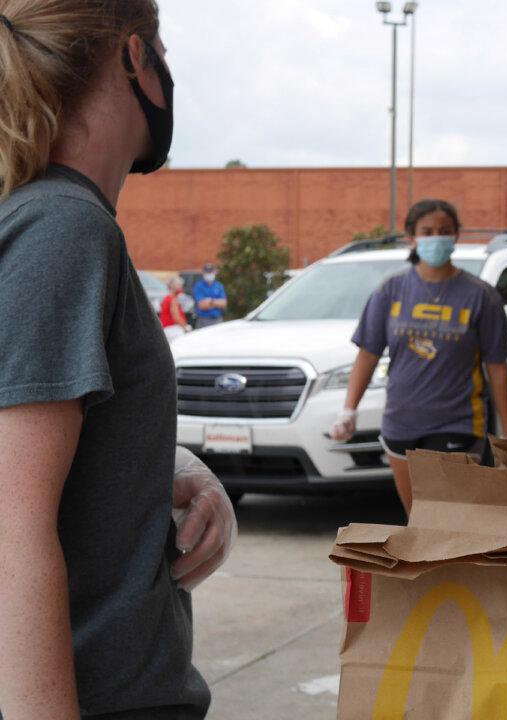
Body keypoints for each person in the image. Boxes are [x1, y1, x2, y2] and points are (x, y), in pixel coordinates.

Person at [0, 3, 235, 717]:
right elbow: (12, 531)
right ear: (135, 56)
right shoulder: (63, 228)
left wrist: (175, 469)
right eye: (162, 49)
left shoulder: (53, 220)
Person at [329, 199, 507, 514]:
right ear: (412, 237)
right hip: (400, 423)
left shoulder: (480, 295)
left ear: (456, 235)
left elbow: (497, 366)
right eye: (427, 231)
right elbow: (368, 353)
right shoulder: (391, 291)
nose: (436, 238)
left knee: (448, 520)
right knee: (417, 520)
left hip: (458, 422)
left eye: (444, 231)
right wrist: (348, 410)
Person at [192, 262, 227, 328]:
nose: (209, 274)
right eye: (207, 272)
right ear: (203, 273)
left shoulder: (219, 285)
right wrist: (217, 303)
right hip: (204, 320)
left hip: (218, 319)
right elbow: (202, 305)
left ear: (215, 272)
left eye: (210, 272)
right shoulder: (199, 286)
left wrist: (210, 301)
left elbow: (224, 303)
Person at [161, 275, 192, 342]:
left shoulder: (168, 298)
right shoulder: (172, 299)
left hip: (168, 329)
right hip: (173, 329)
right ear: (173, 286)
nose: (181, 287)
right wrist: (186, 326)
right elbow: (176, 317)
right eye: (179, 285)